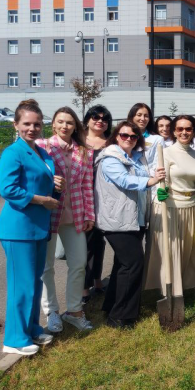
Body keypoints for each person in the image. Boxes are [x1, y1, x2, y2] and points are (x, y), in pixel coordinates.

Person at [0, 99, 60, 355]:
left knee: (34, 281)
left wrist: (56, 186)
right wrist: (41, 199)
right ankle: (14, 339)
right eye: (26, 124)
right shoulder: (12, 153)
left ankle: (31, 327)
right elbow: (8, 189)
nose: (32, 128)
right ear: (16, 124)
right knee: (20, 284)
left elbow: (40, 181)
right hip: (18, 228)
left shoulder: (41, 152)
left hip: (38, 226)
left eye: (36, 124)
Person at [97, 121, 166, 328]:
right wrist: (150, 182)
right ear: (116, 136)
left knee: (122, 265)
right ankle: (121, 316)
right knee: (133, 264)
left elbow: (143, 175)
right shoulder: (110, 158)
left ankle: (111, 307)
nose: (128, 139)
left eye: (133, 136)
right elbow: (124, 181)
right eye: (124, 135)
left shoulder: (130, 158)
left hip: (132, 220)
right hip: (117, 221)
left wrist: (155, 176)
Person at [36, 107, 95, 333]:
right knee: (46, 267)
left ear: (75, 126)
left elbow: (86, 185)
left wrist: (90, 214)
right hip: (49, 213)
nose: (64, 126)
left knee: (79, 263)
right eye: (60, 122)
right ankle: (51, 312)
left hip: (76, 214)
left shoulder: (84, 152)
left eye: (69, 123)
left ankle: (74, 310)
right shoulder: (43, 147)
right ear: (53, 125)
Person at [145, 115, 195, 296]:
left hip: (192, 205)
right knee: (171, 250)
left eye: (188, 129)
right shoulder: (166, 152)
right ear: (174, 132)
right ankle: (169, 291)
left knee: (187, 250)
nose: (184, 132)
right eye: (180, 129)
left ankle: (186, 285)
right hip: (170, 206)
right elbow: (161, 179)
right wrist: (161, 190)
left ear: (194, 131)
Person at [82, 105, 112, 303]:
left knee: (100, 242)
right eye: (95, 117)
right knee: (86, 244)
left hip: (105, 198)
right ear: (87, 120)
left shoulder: (110, 143)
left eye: (104, 118)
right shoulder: (78, 141)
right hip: (83, 198)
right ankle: (84, 288)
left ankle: (98, 280)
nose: (99, 120)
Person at [127, 103, 163, 168]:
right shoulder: (124, 137)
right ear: (132, 117)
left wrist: (151, 178)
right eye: (139, 115)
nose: (143, 118)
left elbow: (157, 163)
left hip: (149, 177)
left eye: (146, 116)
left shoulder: (157, 139)